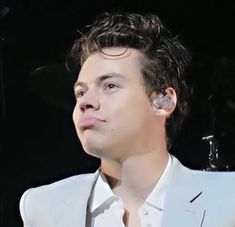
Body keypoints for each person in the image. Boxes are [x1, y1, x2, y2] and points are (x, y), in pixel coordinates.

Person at [19, 12, 235, 227]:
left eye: (110, 86)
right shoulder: (42, 207)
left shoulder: (228, 200)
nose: (85, 102)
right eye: (81, 92)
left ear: (163, 102)